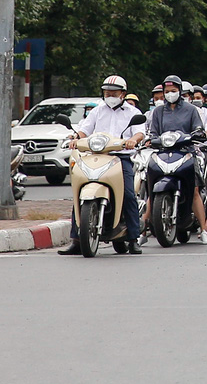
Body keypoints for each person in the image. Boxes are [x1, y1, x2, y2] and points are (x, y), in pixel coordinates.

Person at [60, 75, 145, 254]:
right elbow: (85, 130)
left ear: (123, 94)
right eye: (107, 93)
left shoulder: (132, 113)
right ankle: (76, 239)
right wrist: (76, 139)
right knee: (79, 193)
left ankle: (133, 238)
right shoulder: (97, 110)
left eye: (114, 93)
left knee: (129, 195)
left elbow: (139, 133)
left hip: (120, 157)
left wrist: (132, 140)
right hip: (96, 155)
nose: (110, 96)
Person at [142, 75, 207, 245]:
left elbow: (198, 129)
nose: (170, 94)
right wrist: (151, 139)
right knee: (151, 191)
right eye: (167, 91)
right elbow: (153, 133)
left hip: (186, 152)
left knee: (194, 189)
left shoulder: (191, 110)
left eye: (173, 91)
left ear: (180, 91)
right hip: (163, 153)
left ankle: (204, 230)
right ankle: (142, 230)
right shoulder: (157, 112)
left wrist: (196, 134)